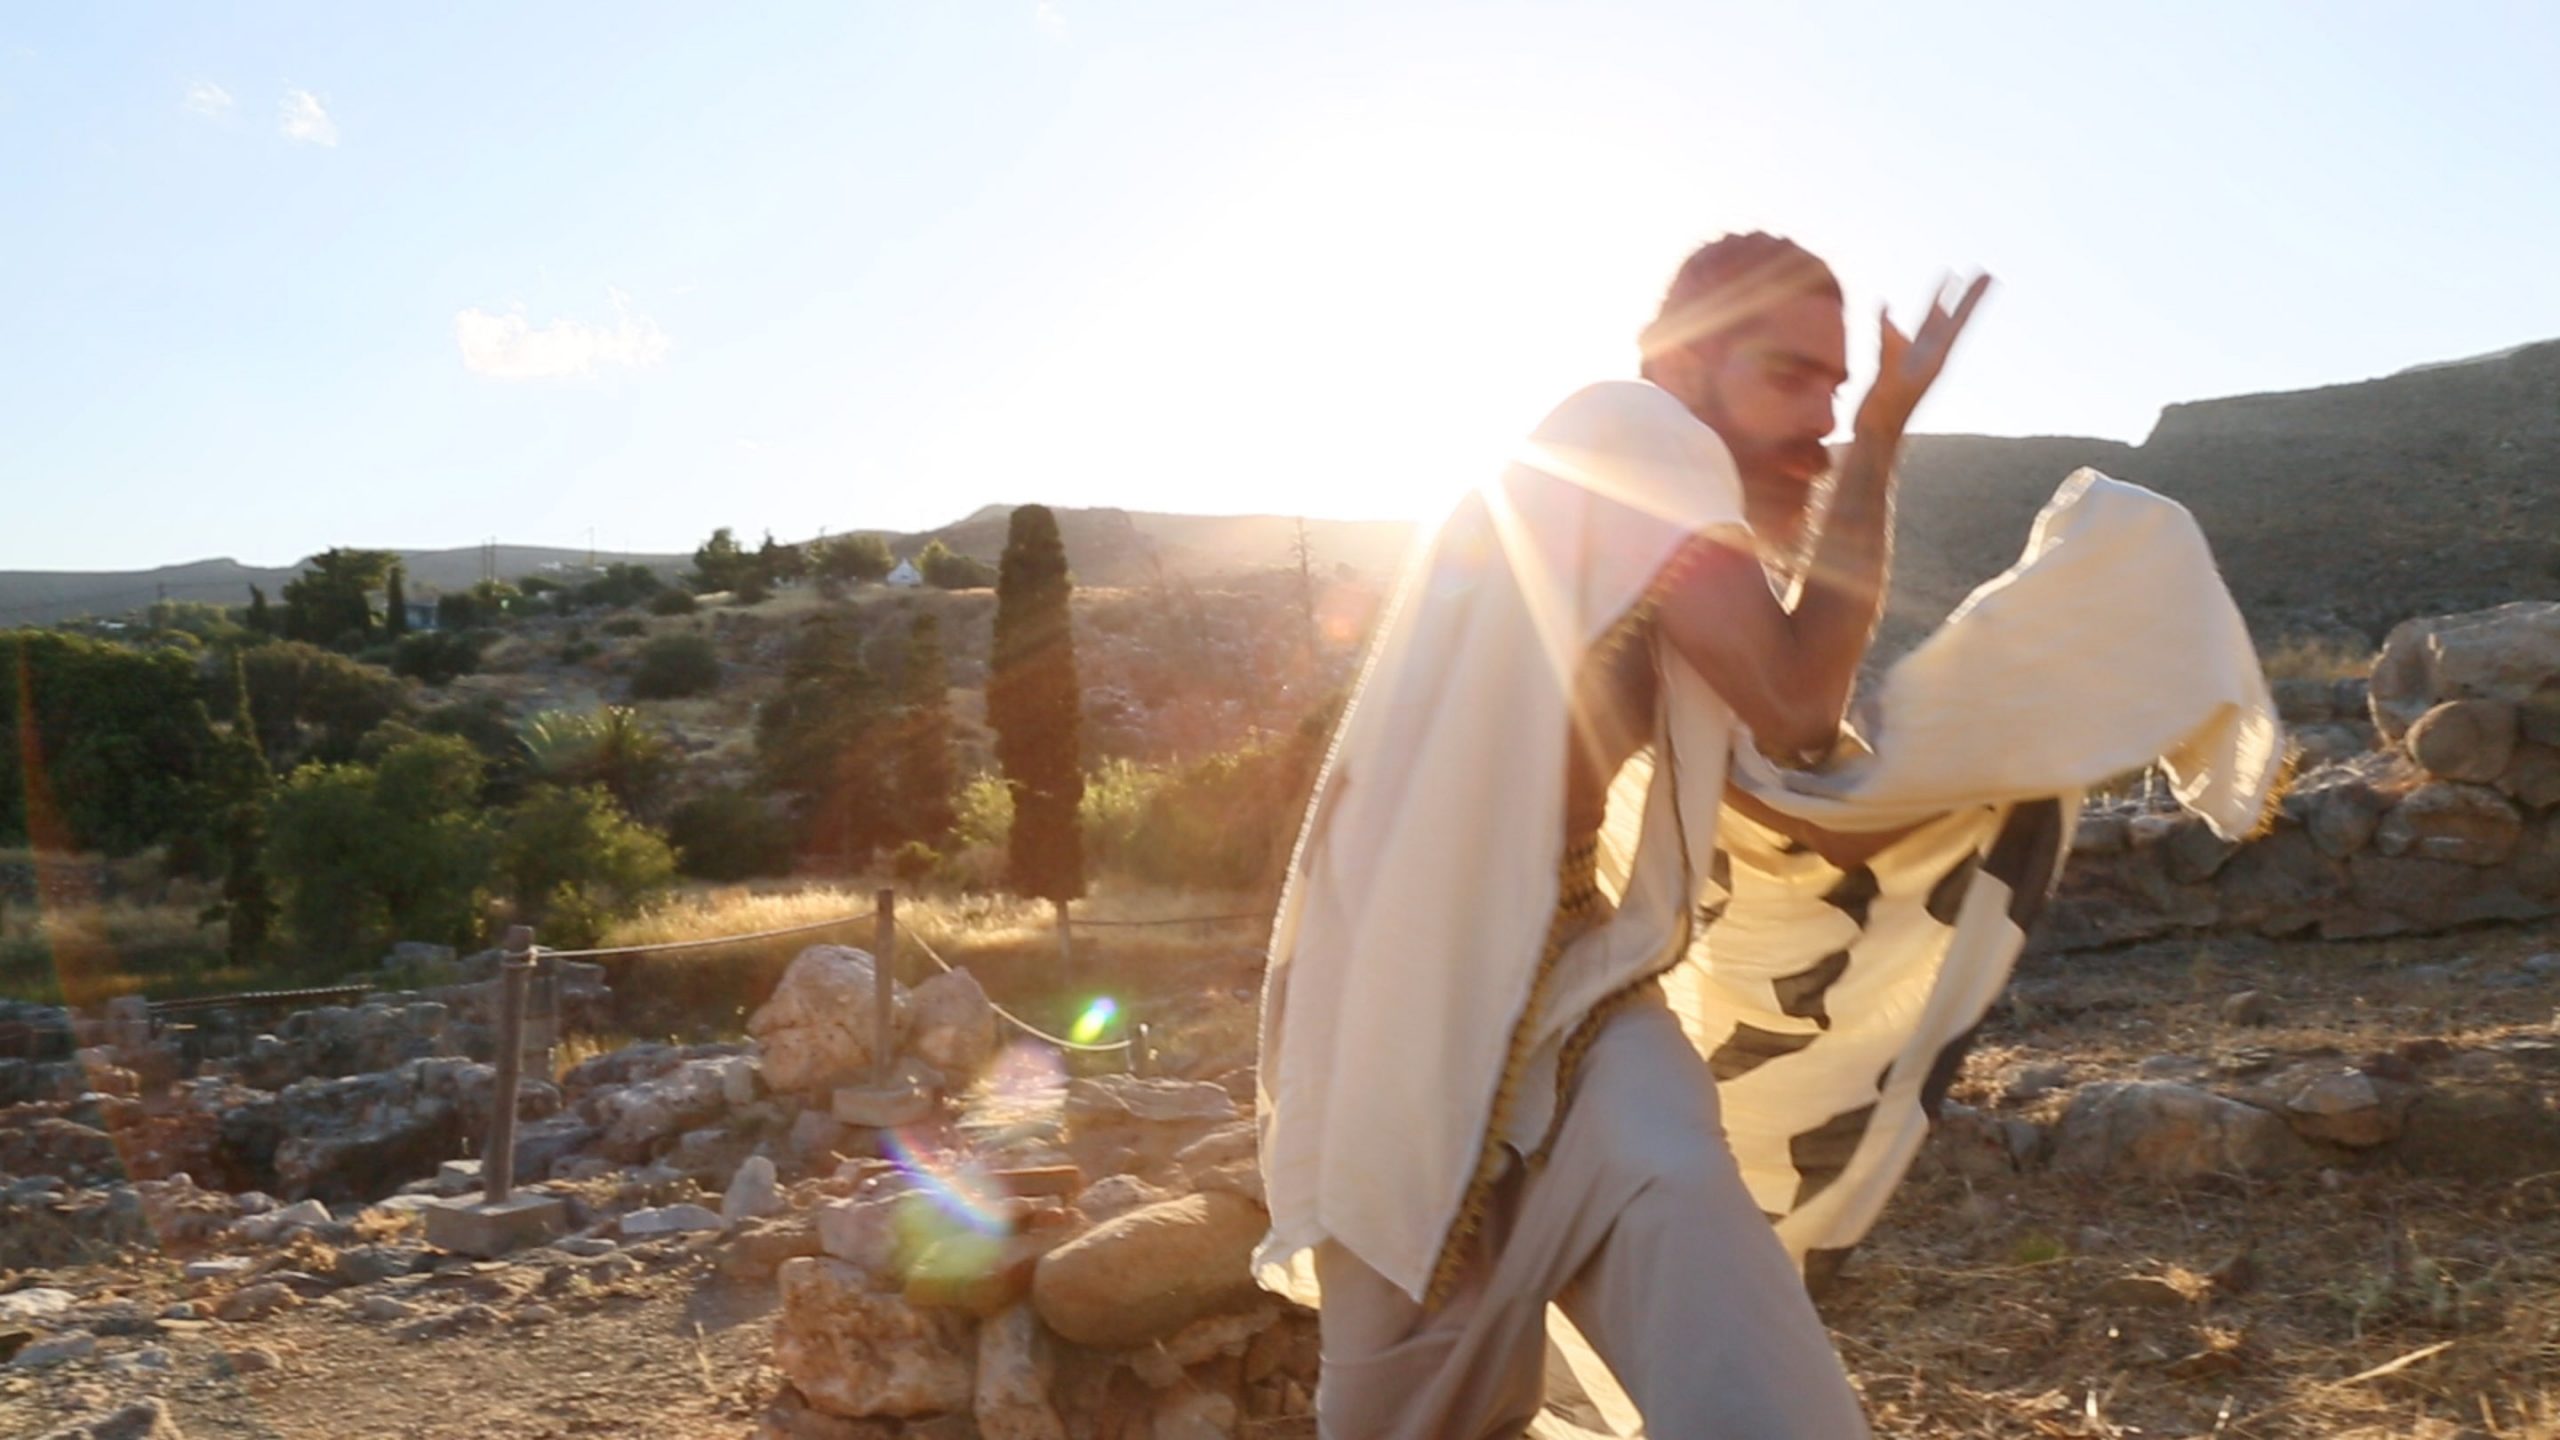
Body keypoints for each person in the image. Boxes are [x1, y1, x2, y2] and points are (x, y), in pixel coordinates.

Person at [1257, 233, 1991, 1439]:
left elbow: (1789, 778)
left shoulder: (1641, 521)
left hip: (1574, 979)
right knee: (1411, 1414)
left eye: (1837, 386)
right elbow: (1795, 701)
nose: (1818, 417)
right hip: (1410, 1002)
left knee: (1693, 1225)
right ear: (1681, 364)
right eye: (1789, 376)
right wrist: (1879, 441)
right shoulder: (1629, 436)